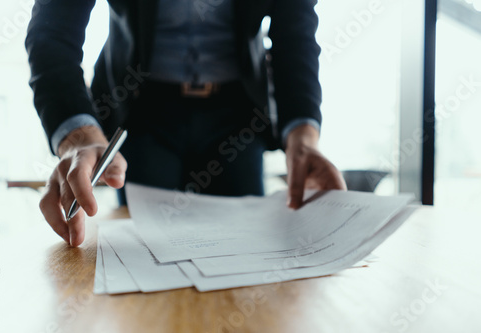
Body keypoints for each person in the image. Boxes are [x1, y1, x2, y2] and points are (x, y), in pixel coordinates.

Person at [26, 0, 347, 247]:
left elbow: (295, 34)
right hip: (141, 111)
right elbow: (52, 33)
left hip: (237, 116)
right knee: (143, 251)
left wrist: (302, 133)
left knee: (242, 253)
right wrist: (78, 135)